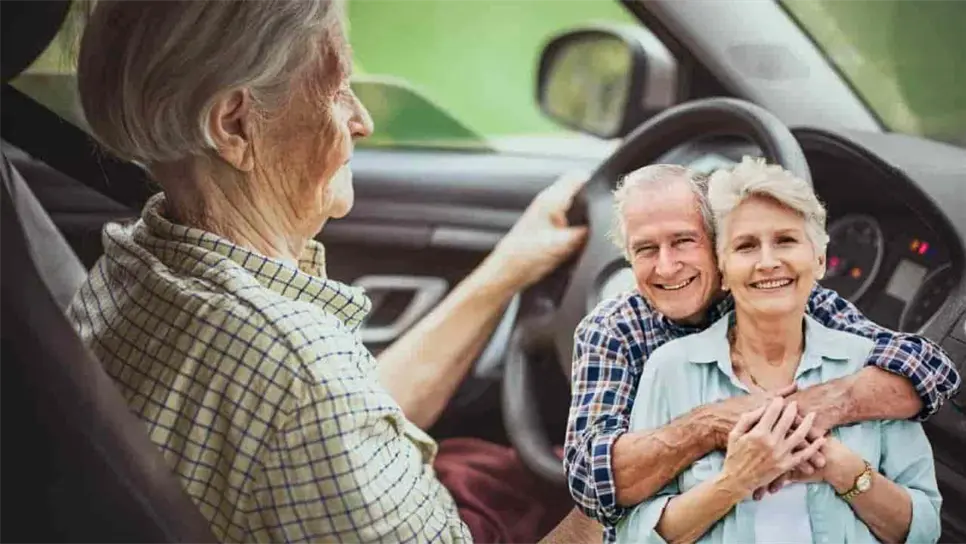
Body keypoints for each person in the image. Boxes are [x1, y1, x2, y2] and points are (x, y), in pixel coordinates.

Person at [66, 1, 586, 542]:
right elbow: (316, 402)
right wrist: (628, 487)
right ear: (235, 125)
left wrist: (508, 268)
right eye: (337, 90)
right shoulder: (299, 370)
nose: (363, 120)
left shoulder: (134, 261)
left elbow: (330, 420)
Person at [564, 163, 960, 542]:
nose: (666, 267)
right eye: (646, 249)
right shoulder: (620, 332)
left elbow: (926, 369)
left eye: (683, 241)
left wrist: (803, 419)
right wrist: (713, 427)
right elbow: (591, 482)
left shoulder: (783, 291)